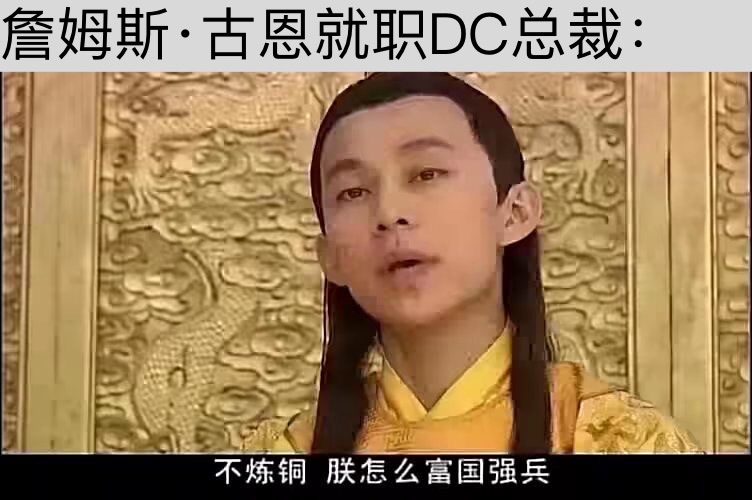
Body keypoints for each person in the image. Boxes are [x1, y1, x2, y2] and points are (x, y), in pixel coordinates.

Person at [243, 72, 701, 454]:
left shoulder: (614, 440)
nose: (389, 212)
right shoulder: (287, 453)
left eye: (426, 173)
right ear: (329, 258)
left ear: (514, 213)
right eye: (353, 191)